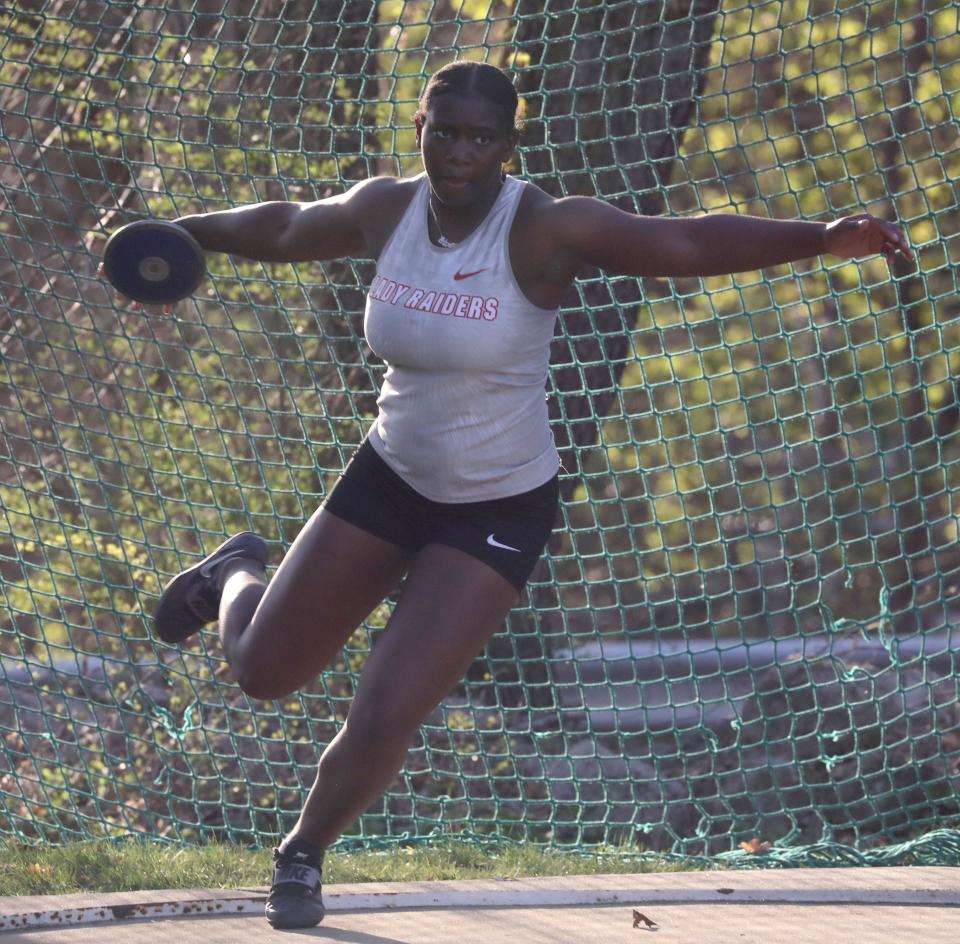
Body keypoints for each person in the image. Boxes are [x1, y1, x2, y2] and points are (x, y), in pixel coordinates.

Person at [105, 61, 913, 929]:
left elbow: (683, 243)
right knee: (263, 673)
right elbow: (296, 225)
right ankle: (235, 571)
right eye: (443, 130)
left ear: (507, 146)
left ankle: (301, 854)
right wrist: (177, 232)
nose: (458, 151)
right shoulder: (390, 208)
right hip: (390, 475)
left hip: (494, 507)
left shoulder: (545, 229)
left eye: (479, 137)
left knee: (388, 706)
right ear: (422, 126)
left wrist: (821, 236)